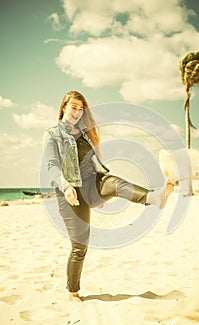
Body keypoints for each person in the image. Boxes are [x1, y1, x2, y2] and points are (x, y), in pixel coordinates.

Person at [42, 91, 174, 302]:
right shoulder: (53, 134)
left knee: (114, 183)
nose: (77, 112)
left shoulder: (85, 134)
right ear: (64, 107)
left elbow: (94, 164)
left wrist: (100, 194)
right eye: (73, 107)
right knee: (79, 246)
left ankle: (154, 198)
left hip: (93, 185)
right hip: (71, 193)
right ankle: (72, 292)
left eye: (80, 108)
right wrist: (66, 188)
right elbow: (51, 166)